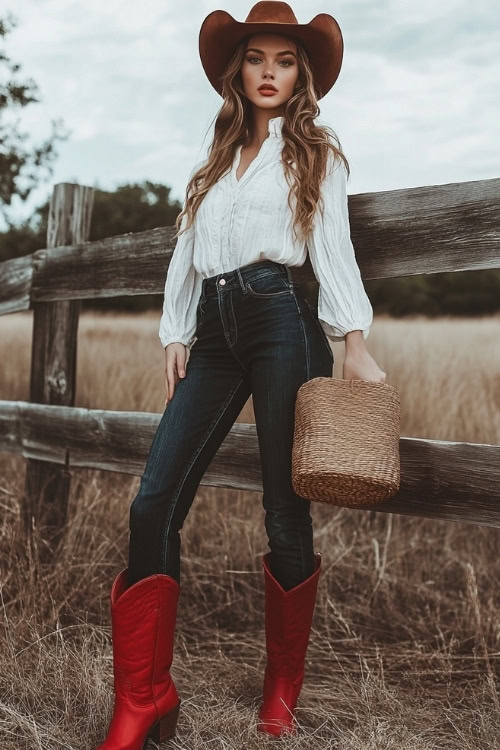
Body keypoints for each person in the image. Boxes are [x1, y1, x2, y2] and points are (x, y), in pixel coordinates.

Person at [95, 2, 386, 748]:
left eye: (284, 61)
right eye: (257, 59)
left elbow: (333, 249)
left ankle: (281, 689)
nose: (269, 73)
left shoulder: (317, 153)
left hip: (281, 320)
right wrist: (175, 329)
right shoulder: (214, 163)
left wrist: (353, 341)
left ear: (302, 74)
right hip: (215, 333)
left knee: (285, 511)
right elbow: (184, 252)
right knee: (153, 502)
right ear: (238, 70)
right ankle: (146, 696)